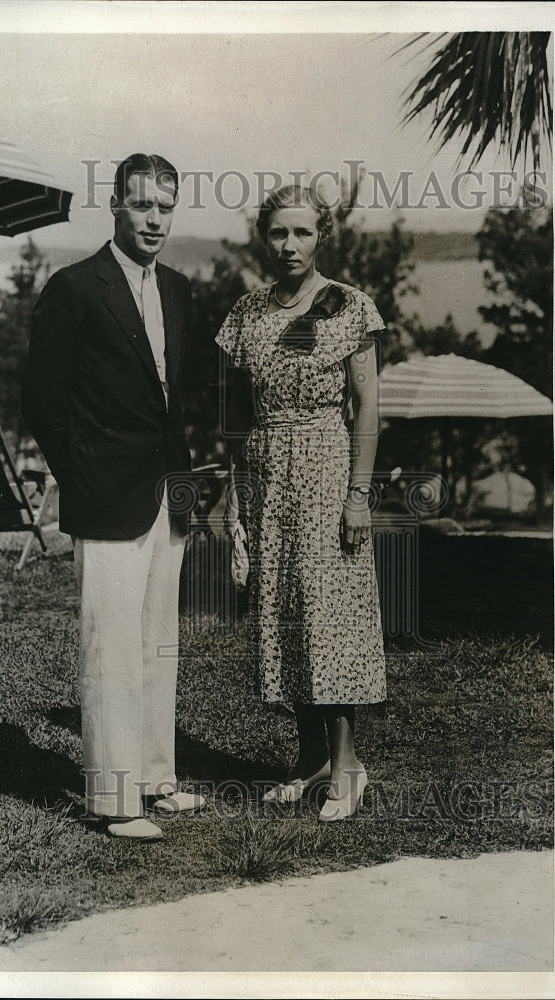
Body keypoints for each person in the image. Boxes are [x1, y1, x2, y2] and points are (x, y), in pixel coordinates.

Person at [22, 153, 205, 840]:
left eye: (165, 206)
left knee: (159, 643)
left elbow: (175, 400)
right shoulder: (75, 288)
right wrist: (85, 471)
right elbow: (42, 399)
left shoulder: (181, 291)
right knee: (112, 647)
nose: (154, 219)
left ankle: (156, 779)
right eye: (141, 205)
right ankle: (114, 798)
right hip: (106, 494)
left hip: (169, 495)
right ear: (116, 208)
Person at [217, 184, 386, 821]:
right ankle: (308, 756)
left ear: (322, 236)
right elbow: (231, 411)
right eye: (279, 233)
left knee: (327, 616)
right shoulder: (247, 313)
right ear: (265, 236)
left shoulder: (351, 308)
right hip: (266, 476)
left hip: (325, 468)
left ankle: (348, 767)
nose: (290, 245)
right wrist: (235, 498)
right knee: (284, 615)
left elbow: (369, 408)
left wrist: (358, 495)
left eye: (303, 233)